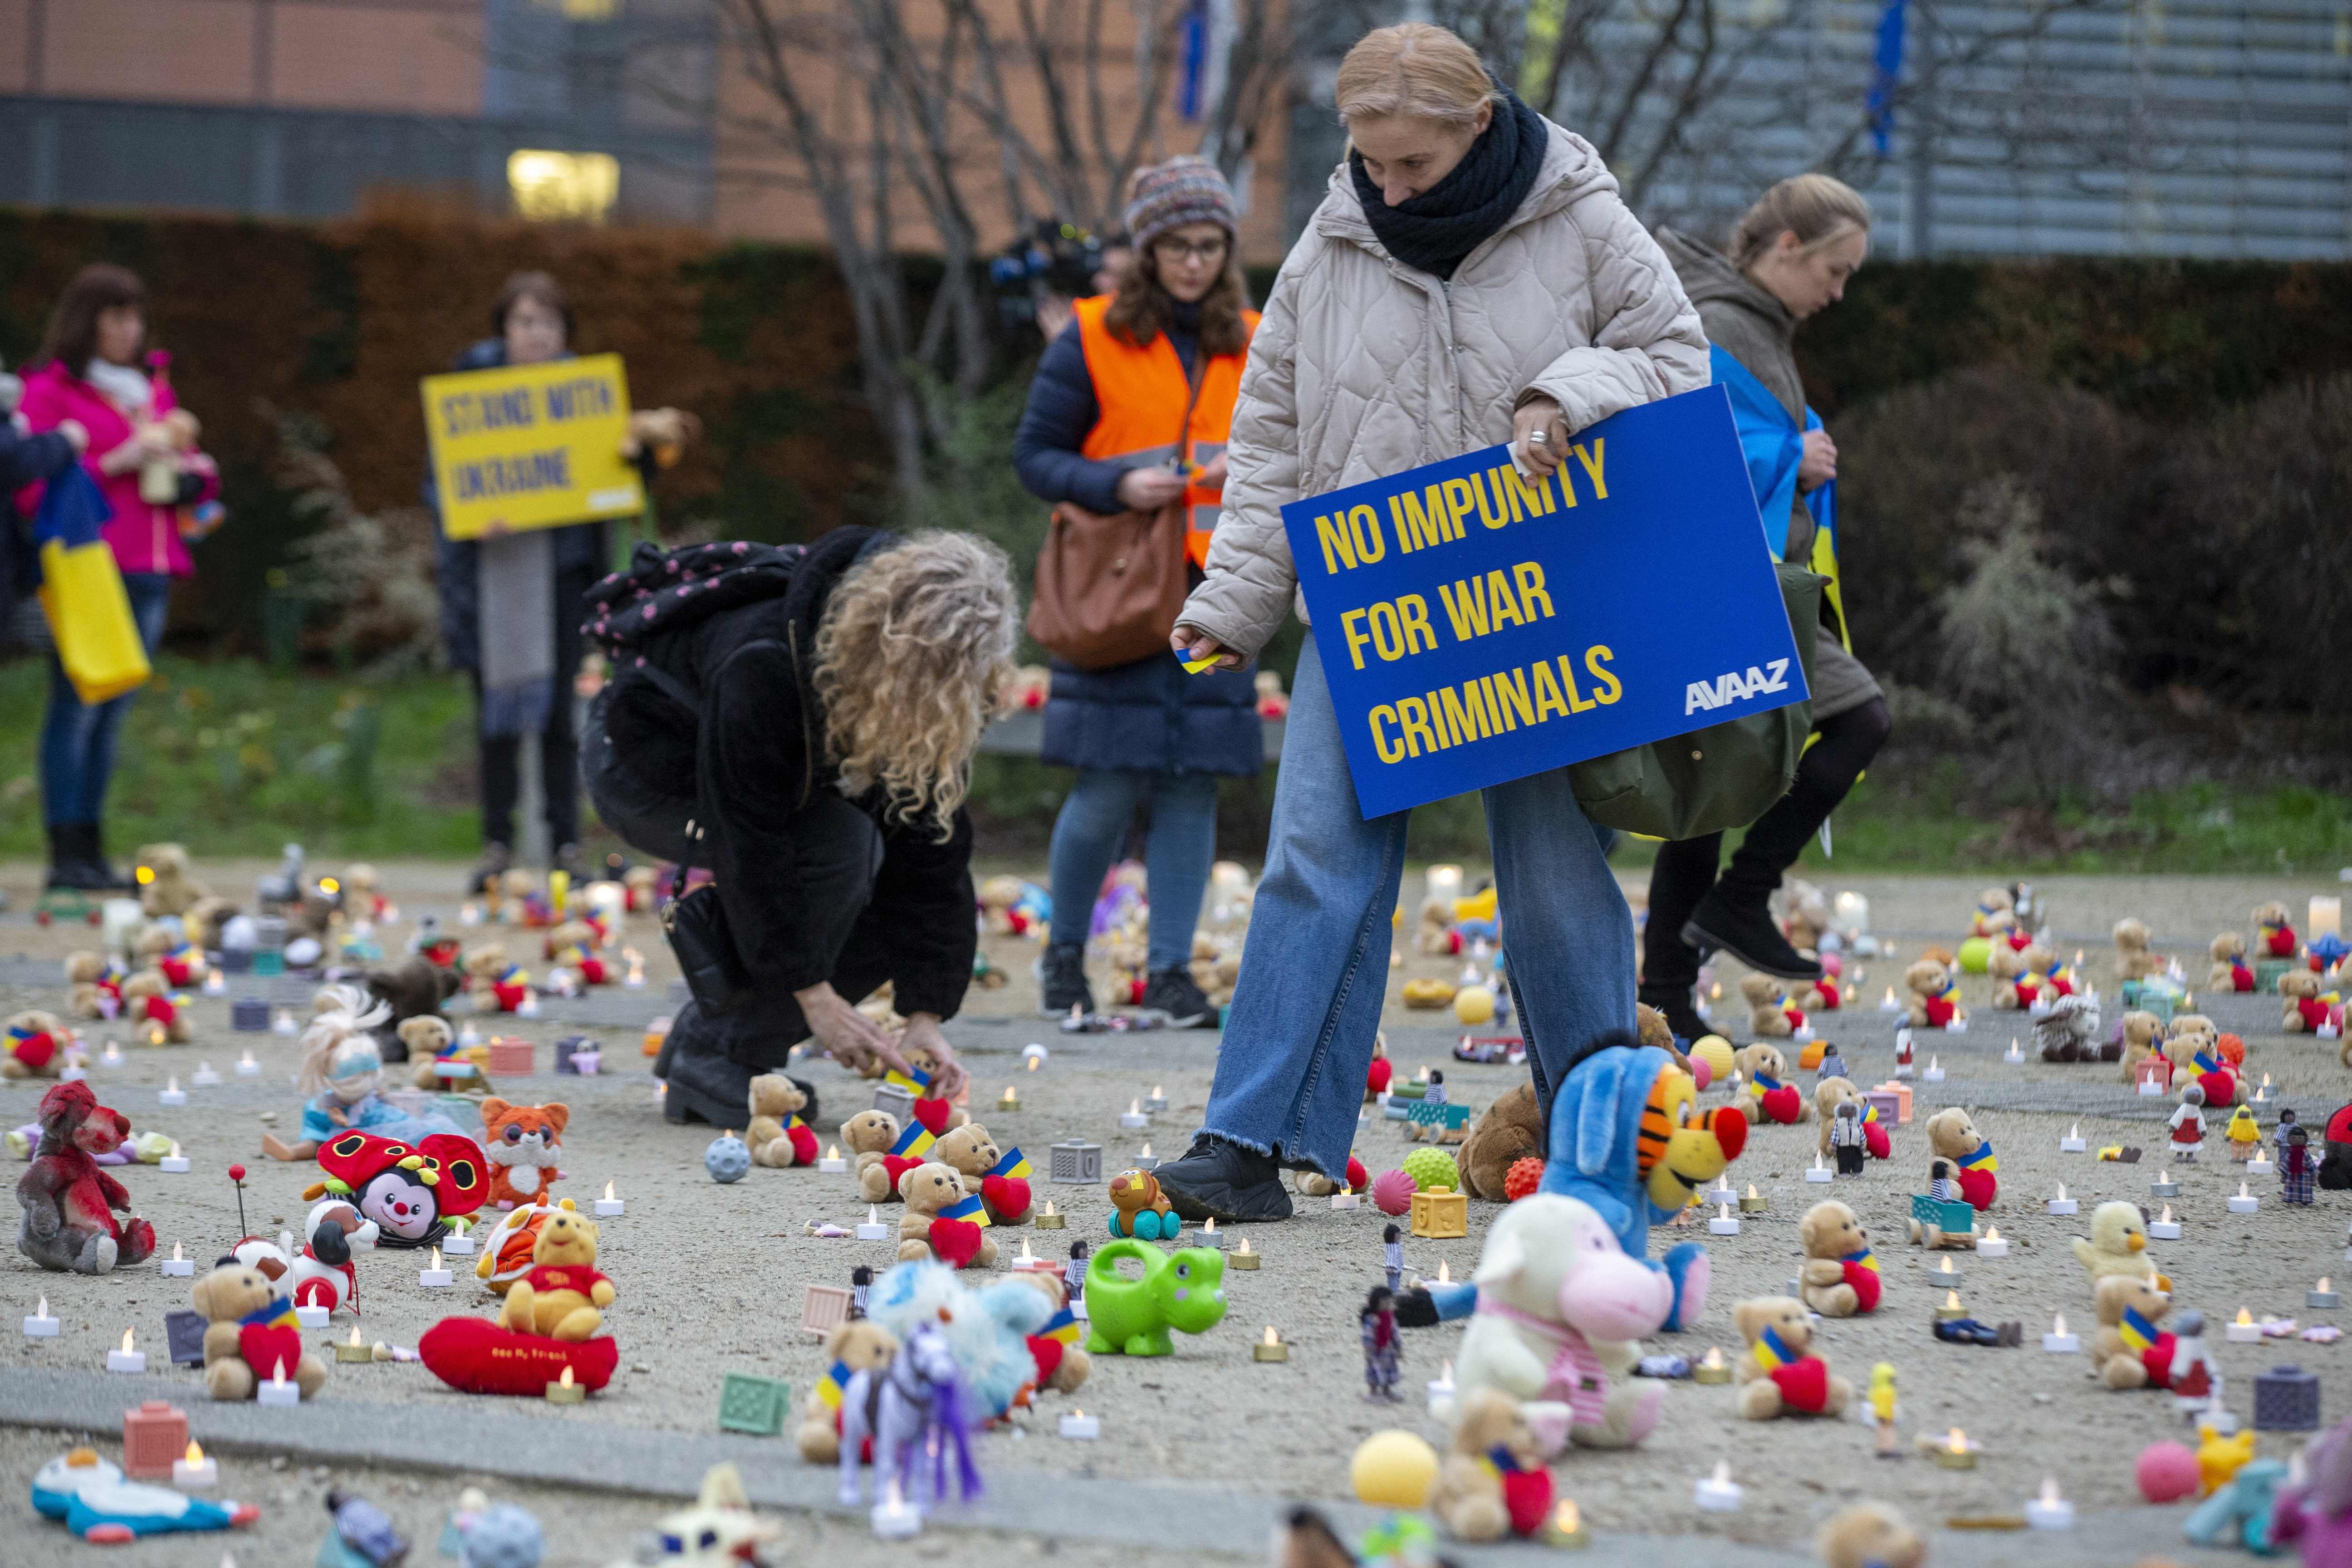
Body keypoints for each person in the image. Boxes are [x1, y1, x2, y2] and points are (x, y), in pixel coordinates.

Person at [1153, 22, 1708, 1221]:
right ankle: (1248, 1144)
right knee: (1311, 862)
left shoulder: (1582, 216)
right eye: (1369, 160)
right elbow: (1272, 437)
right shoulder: (1333, 236)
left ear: (1477, 125)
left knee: (1556, 877)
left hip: (1540, 598)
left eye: (1411, 165)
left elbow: (1678, 358)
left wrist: (1570, 391)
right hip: (1374, 598)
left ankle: (1600, 1133)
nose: (1385, 187)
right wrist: (1235, 603)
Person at [582, 526, 1015, 1123]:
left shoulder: (919, 690)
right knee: (844, 850)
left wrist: (925, 1016)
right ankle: (721, 1054)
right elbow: (751, 846)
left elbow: (931, 848)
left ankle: (712, 1035)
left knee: (877, 853)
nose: (938, 703)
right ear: (886, 649)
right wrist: (814, 997)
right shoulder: (763, 661)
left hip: (770, 787)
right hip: (643, 769)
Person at [1640, 177, 1892, 1040]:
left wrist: (1792, 452)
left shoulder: (1752, 322)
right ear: (1785, 245)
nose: (1838, 292)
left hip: (1756, 581)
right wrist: (1796, 455)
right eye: (1834, 268)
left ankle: (1671, 989)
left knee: (1708, 791)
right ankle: (1737, 905)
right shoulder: (1721, 324)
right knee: (1859, 720)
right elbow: (1682, 452)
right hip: (1732, 584)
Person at [1014, 158, 1264, 1025]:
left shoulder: (1258, 336)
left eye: (1209, 245)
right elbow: (1036, 459)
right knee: (1111, 779)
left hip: (1222, 584)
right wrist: (1117, 484)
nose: (1192, 262)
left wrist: (1251, 471)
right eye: (1175, 246)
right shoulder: (1088, 335)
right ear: (1147, 250)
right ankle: (1064, 961)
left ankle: (1169, 973)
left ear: (1226, 250)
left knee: (1195, 779)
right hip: (1118, 589)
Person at [433, 272, 690, 892]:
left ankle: (563, 845)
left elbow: (616, 487)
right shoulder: (472, 400)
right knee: (494, 714)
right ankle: (498, 844)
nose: (536, 334)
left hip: (566, 575)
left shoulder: (586, 400)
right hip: (490, 582)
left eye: (547, 323)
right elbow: (438, 482)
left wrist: (640, 460)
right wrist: (468, 522)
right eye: (524, 322)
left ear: (563, 333)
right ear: (504, 330)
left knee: (557, 718)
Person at [19, 264, 219, 891]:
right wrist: (118, 460)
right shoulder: (51, 391)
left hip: (152, 566)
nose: (131, 330)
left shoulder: (151, 390)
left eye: (136, 317)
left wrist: (193, 478)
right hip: (89, 566)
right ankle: (64, 852)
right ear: (88, 321)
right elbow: (29, 486)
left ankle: (93, 850)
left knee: (113, 715)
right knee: (77, 706)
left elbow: (189, 484)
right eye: (117, 317)